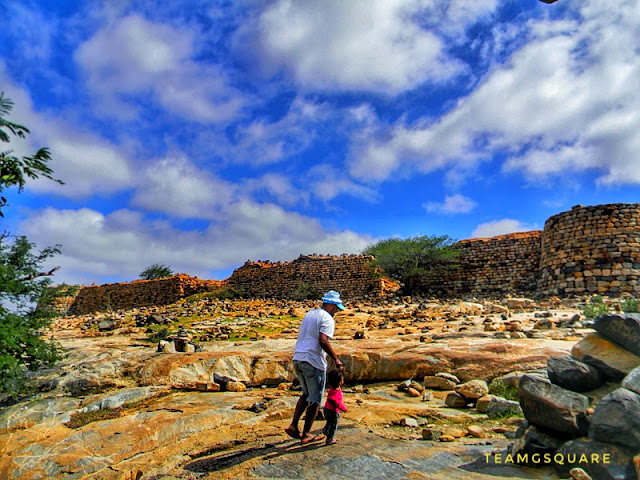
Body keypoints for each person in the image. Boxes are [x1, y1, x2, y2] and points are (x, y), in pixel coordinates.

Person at [285, 290, 345, 445]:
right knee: (315, 399)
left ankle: (293, 425)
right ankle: (306, 434)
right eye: (337, 308)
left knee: (305, 394)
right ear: (331, 305)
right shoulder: (327, 318)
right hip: (313, 361)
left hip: (298, 357)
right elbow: (323, 340)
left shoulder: (310, 314)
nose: (337, 311)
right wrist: (336, 359)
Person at [322, 368, 347, 445]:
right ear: (340, 382)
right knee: (333, 425)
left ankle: (326, 430)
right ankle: (330, 439)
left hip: (326, 408)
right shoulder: (336, 391)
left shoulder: (331, 388)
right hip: (333, 411)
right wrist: (343, 408)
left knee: (329, 422)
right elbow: (336, 402)